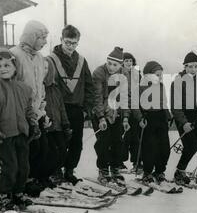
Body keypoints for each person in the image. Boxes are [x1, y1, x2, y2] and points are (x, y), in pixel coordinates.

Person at [0, 48, 40, 212]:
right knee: (10, 167)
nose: (3, 68)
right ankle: (3, 196)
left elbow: (29, 110)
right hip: (4, 136)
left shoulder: (24, 89)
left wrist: (34, 124)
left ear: (15, 67)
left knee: (24, 167)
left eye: (7, 65)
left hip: (21, 135)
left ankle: (18, 193)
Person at [50, 25, 95, 184]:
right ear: (61, 40)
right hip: (58, 110)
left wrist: (87, 109)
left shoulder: (82, 61)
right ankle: (55, 172)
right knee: (59, 143)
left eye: (74, 43)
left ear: (78, 43)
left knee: (76, 143)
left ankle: (69, 171)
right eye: (67, 42)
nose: (70, 46)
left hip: (77, 109)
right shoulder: (51, 60)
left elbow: (90, 86)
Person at [10, 20, 51, 192]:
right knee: (22, 152)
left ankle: (32, 179)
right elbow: (9, 85)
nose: (44, 42)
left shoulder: (40, 58)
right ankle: (18, 184)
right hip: (19, 113)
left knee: (40, 149)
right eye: (42, 37)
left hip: (35, 113)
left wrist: (41, 110)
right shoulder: (14, 55)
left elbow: (40, 86)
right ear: (32, 36)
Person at [171, 51, 197, 184]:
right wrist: (184, 123)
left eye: (196, 66)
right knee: (192, 145)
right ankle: (180, 171)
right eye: (190, 66)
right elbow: (175, 107)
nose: (193, 69)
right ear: (185, 67)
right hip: (184, 117)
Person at [92, 47, 131, 183]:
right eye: (109, 63)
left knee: (117, 142)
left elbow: (125, 97)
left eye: (115, 64)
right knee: (104, 141)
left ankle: (115, 169)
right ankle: (103, 170)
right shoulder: (99, 73)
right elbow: (97, 97)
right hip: (100, 112)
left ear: (120, 65)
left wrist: (125, 117)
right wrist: (101, 118)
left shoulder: (124, 75)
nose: (111, 67)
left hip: (116, 112)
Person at [133, 61, 172, 183]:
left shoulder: (161, 86)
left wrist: (168, 115)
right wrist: (140, 118)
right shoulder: (140, 87)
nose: (160, 77)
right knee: (150, 147)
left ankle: (160, 171)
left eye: (161, 75)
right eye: (157, 74)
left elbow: (163, 102)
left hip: (160, 118)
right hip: (148, 117)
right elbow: (135, 105)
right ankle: (147, 172)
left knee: (164, 148)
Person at [43, 57, 73, 185]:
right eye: (43, 68)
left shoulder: (55, 89)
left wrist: (66, 124)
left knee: (62, 151)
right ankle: (49, 174)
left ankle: (57, 171)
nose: (45, 71)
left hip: (58, 127)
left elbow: (61, 108)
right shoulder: (39, 88)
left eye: (47, 69)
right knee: (51, 153)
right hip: (47, 127)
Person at [122, 52, 143, 173]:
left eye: (130, 61)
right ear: (122, 63)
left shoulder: (136, 74)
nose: (129, 63)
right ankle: (119, 162)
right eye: (126, 61)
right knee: (125, 136)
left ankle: (137, 161)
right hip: (124, 107)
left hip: (135, 107)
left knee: (135, 136)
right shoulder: (120, 73)